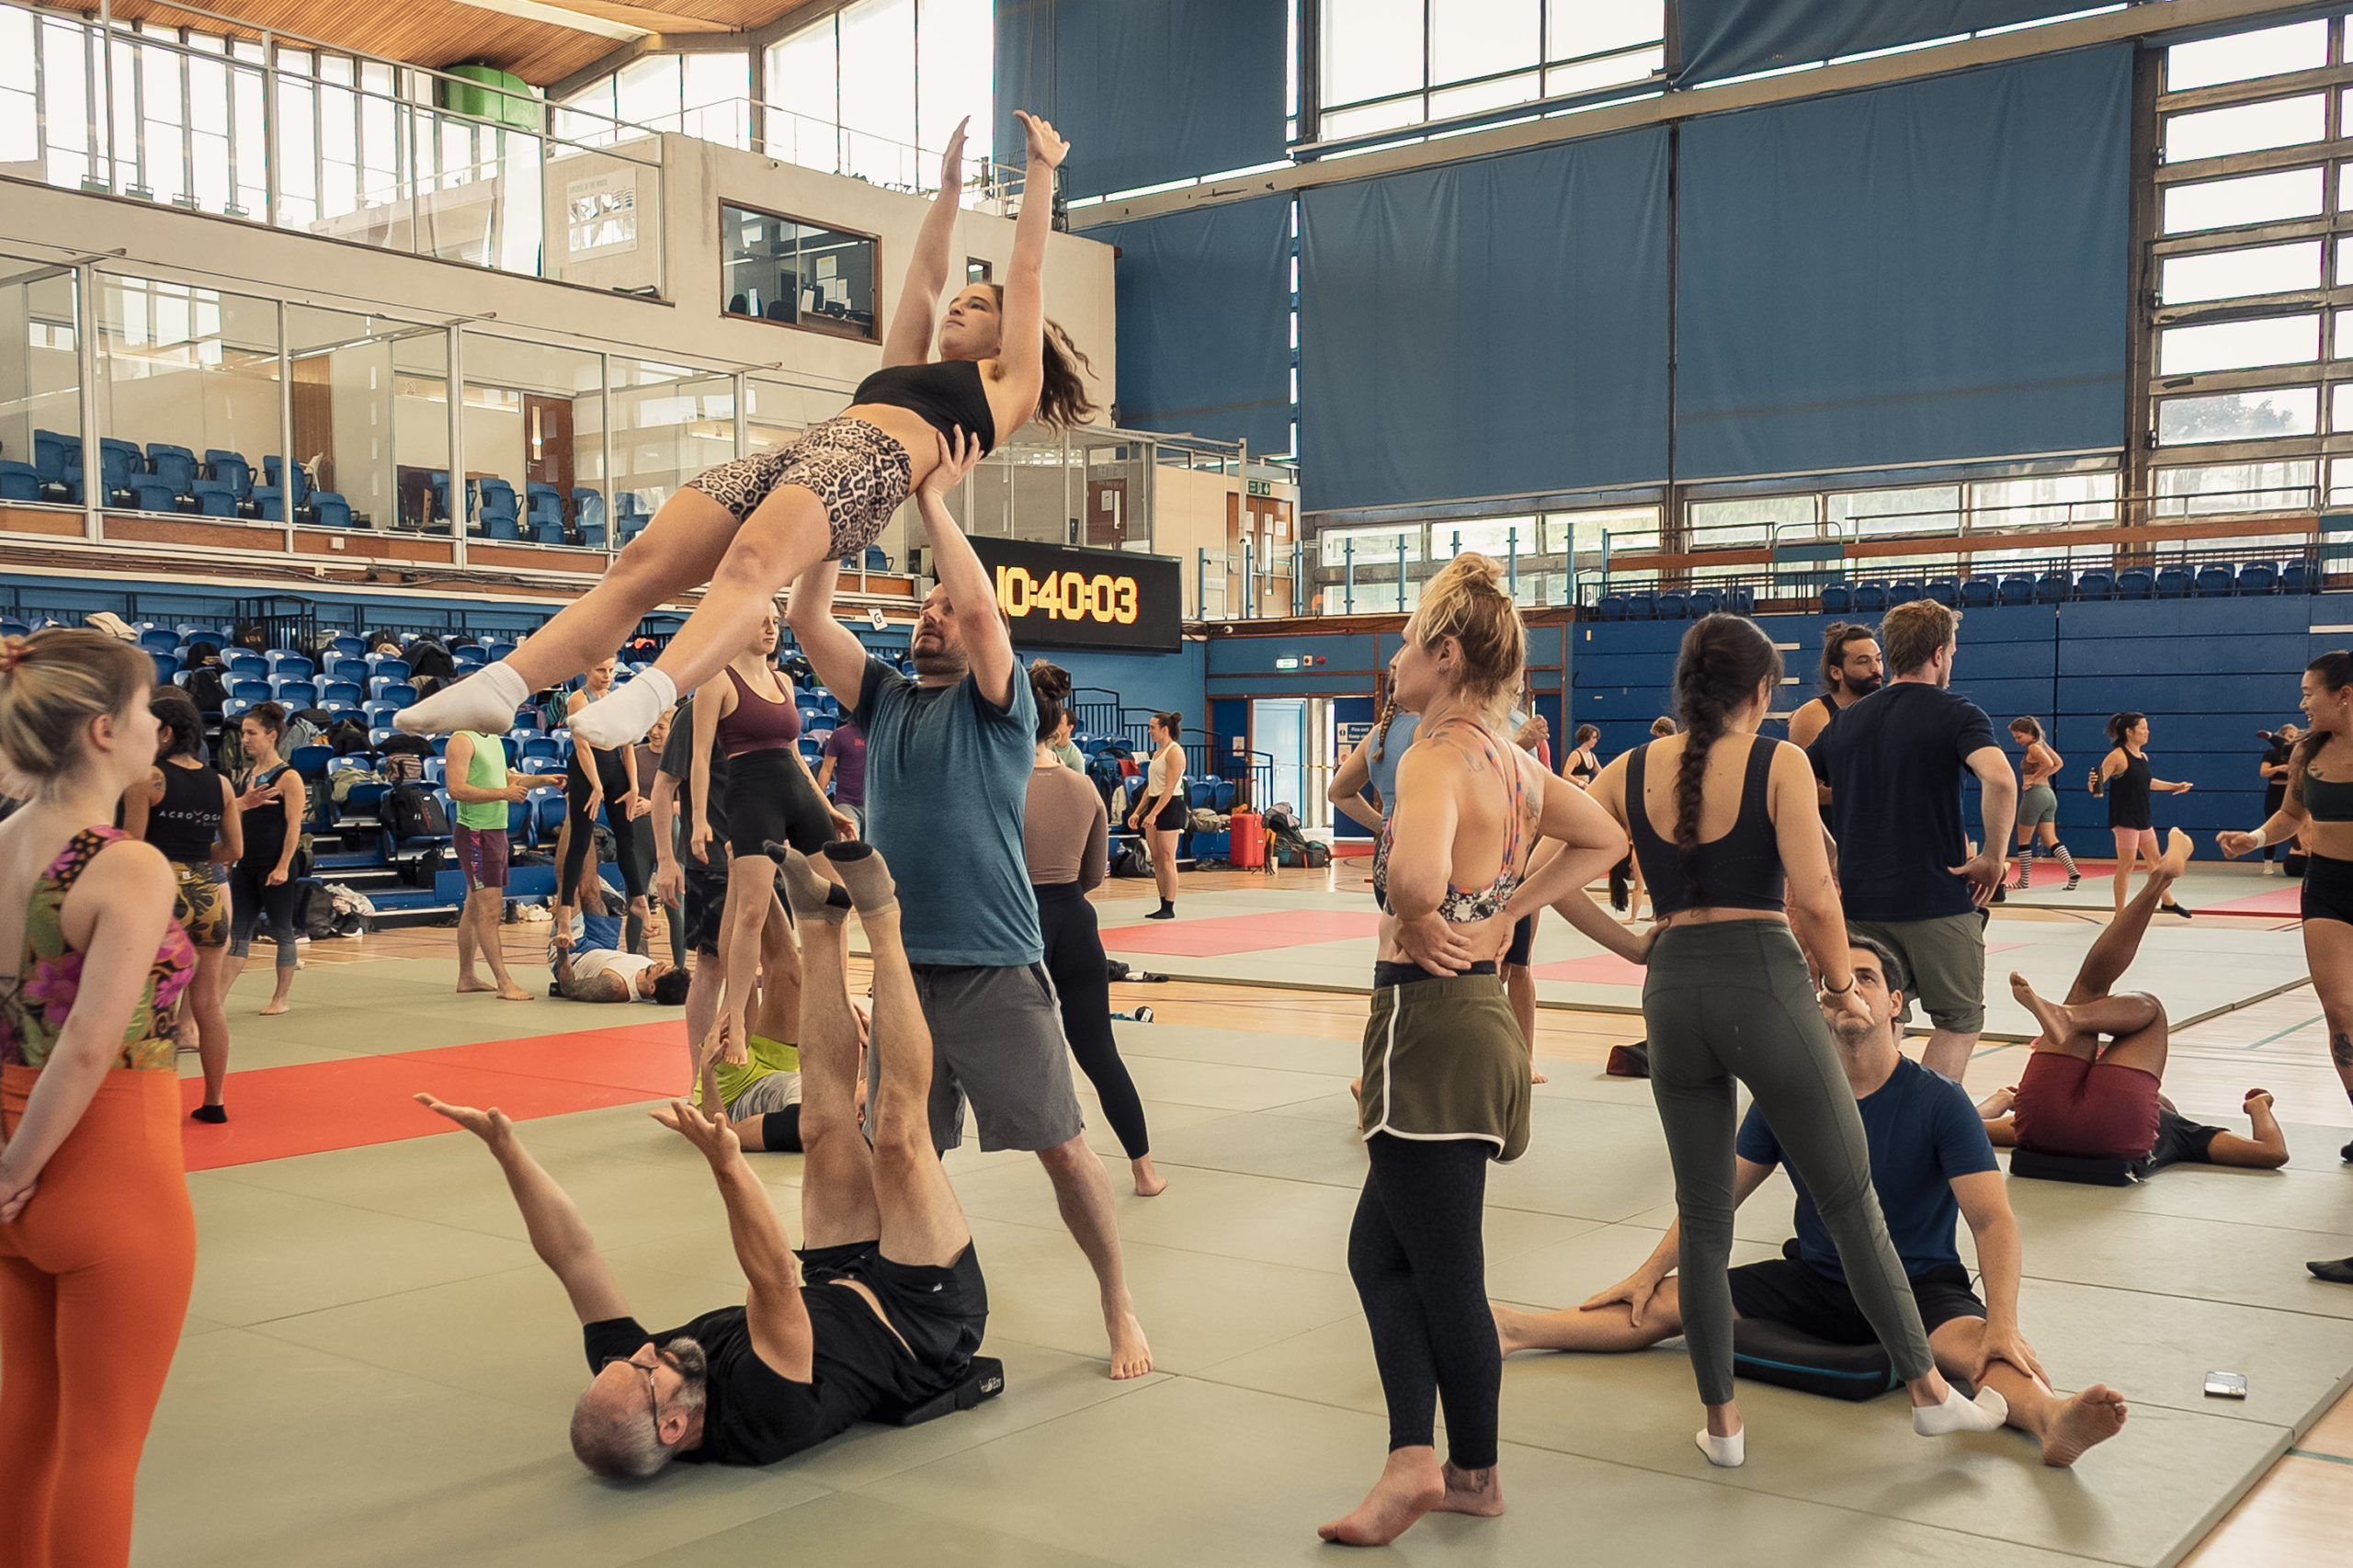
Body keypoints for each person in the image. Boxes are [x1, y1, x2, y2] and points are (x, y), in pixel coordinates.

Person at [398, 113, 1095, 755]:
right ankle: (505, 685)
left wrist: (1040, 172)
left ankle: (651, 694)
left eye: (976, 307)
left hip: (873, 464)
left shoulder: (1009, 386)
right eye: (961, 302)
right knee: (641, 564)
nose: (956, 310)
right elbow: (923, 277)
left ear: (1010, 333)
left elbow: (1026, 268)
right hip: (805, 449)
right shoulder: (906, 366)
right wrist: (945, 191)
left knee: (751, 568)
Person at [1524, 613, 2006, 1477]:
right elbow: (1818, 902)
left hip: (1671, 989)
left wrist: (1635, 943)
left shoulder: (1629, 770)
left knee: (1705, 1220)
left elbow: (1547, 873)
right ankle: (1931, 1396)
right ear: (1762, 692)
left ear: (1684, 690)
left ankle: (1722, 1423)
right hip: (1763, 983)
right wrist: (1838, 987)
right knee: (1849, 1195)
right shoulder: (1779, 760)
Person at [416, 840, 988, 1475]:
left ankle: (821, 922)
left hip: (839, 1279)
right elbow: (771, 1274)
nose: (647, 1352)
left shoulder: (644, 1373)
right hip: (924, 1318)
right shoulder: (761, 1414)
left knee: (827, 1125)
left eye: (634, 1361)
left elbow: (574, 1260)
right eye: (646, 1371)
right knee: (897, 1137)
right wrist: (727, 1165)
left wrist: (508, 1153)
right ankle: (883, 916)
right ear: (674, 1425)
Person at [789, 426, 1151, 1381]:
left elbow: (989, 615)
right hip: (908, 974)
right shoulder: (887, 698)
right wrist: (838, 520)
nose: (935, 616)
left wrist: (933, 501)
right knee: (896, 1154)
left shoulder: (1001, 707)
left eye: (947, 607)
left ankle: (1118, 1304)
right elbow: (806, 621)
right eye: (925, 607)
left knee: (1065, 1154)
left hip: (996, 969)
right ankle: (902, 1303)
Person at [1493, 935, 2129, 1471]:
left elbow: (1992, 1220)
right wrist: (1648, 1271)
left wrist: (2006, 1321)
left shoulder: (1941, 1103)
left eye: (1866, 980)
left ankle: (2053, 1419)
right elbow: (1716, 1201)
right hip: (1815, 1279)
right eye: (1832, 983)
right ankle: (1514, 1328)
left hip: (1918, 1287)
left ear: (1895, 1003)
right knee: (1670, 1300)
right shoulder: (1789, 1097)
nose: (1846, 992)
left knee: (1979, 1347)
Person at [1321, 554, 1627, 1549]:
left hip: (1430, 1022)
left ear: (1445, 655)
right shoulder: (1509, 755)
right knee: (1383, 1252)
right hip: (1475, 1018)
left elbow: (1411, 877)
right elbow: (1602, 838)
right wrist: (1502, 908)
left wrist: (1431, 915)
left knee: (1444, 1269)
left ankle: (1448, 1467)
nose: (1397, 661)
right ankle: (1441, 1461)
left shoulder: (1437, 752)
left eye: (1408, 643)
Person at [0, 629, 199, 1568]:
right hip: (105, 1165)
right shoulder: (125, 866)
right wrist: (19, 1169)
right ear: (101, 730)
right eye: (147, 706)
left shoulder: (3, 844)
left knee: (25, 1424)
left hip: (13, 1159)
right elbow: (84, 1049)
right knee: (101, 1447)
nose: (158, 722)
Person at [1978, 831, 2287, 1172]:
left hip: (2043, 1126)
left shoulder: (2023, 1122)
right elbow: (2271, 1154)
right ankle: (2072, 1016)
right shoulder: (2183, 1132)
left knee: (2103, 992)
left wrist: (2004, 1098)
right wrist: (2259, 1105)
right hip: (2110, 1136)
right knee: (2142, 1008)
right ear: (2159, 1105)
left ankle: (2073, 1014)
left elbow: (1969, 1126)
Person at [1808, 600, 2014, 1082]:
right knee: (1958, 1019)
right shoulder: (1957, 713)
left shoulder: (1847, 721)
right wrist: (1992, 858)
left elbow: (1789, 787)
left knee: (1875, 1016)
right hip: (1935, 898)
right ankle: (1928, 1127)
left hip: (1862, 902)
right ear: (1940, 654)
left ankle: (1865, 1121)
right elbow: (2001, 781)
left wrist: (1832, 851)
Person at [2221, 651, 2353, 1278]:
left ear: (2345, 695)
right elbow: (2292, 816)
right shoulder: (2307, 753)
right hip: (2327, 886)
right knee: (2341, 1012)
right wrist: (2255, 837)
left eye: (2310, 692)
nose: (2303, 702)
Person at [1027, 661, 1163, 1198]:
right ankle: (1145, 1170)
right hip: (1075, 921)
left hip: (1019, 923)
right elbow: (1090, 874)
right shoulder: (1083, 786)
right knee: (1099, 1053)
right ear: (1058, 724)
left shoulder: (996, 783)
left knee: (991, 1055)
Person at [692, 608, 849, 1057]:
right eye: (760, 619)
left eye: (775, 622)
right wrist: (700, 818)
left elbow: (798, 755)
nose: (769, 628)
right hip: (752, 797)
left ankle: (831, 1002)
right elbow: (701, 757)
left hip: (796, 794)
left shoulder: (783, 682)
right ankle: (737, 1022)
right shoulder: (717, 680)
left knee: (832, 902)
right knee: (750, 912)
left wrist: (827, 808)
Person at [119, 689, 240, 1120]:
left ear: (166, 732)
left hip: (161, 895)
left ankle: (155, 1102)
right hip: (207, 897)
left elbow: (132, 844)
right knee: (207, 1003)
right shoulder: (221, 783)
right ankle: (215, 1101)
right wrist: (193, 855)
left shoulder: (148, 779)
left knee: (152, 1004)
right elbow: (232, 850)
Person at [448, 729, 560, 1003]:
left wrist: (542, 779)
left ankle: (467, 976)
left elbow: (509, 778)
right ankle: (504, 982)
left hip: (495, 831)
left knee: (474, 905)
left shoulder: (493, 739)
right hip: (477, 832)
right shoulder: (462, 739)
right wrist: (504, 794)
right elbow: (456, 789)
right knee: (489, 909)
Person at [652, 695, 731, 1058]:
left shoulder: (765, 702)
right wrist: (667, 860)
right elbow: (664, 787)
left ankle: (748, 1072)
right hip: (710, 860)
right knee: (711, 966)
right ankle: (700, 1076)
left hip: (763, 857)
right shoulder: (693, 713)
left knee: (764, 968)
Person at [559, 656, 651, 941]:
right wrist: (595, 784)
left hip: (614, 767)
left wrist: (634, 786)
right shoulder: (578, 699)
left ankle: (639, 901)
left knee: (627, 838)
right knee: (580, 841)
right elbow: (582, 746)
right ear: (587, 669)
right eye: (601, 670)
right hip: (587, 771)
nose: (607, 675)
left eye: (611, 670)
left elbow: (627, 746)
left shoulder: (616, 698)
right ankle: (563, 913)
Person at [225, 701, 307, 1017]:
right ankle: (217, 997)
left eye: (251, 733)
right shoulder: (249, 773)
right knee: (239, 932)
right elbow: (242, 819)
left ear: (271, 735)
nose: (244, 739)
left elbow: (294, 825)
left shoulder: (288, 777)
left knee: (282, 929)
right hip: (248, 862)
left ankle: (280, 997)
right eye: (243, 733)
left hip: (276, 862)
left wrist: (284, 865)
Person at [2092, 712, 2193, 920]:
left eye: (2147, 728)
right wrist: (2094, 782)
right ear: (2129, 732)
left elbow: (2147, 782)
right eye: (2143, 728)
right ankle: (2119, 913)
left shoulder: (2142, 757)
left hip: (2142, 817)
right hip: (2125, 819)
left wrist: (2175, 786)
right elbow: (2097, 784)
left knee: (2155, 862)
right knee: (2126, 865)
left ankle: (2167, 901)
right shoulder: (2117, 756)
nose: (2147, 732)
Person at [1787, 621, 1883, 755]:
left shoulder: (1888, 709)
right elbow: (1809, 775)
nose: (1876, 668)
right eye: (1863, 661)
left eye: (1878, 659)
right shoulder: (1814, 716)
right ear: (1836, 672)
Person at [2006, 718, 2078, 893]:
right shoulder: (2042, 744)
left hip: (2035, 795)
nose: (2017, 741)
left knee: (2023, 840)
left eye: (2019, 737)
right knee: (2050, 839)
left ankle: (2023, 880)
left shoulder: (2034, 747)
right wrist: (2043, 776)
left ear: (2030, 733)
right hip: (2048, 795)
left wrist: (2034, 778)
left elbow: (2047, 763)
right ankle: (2073, 872)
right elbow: (2058, 763)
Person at [1125, 711, 1185, 920]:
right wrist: (1138, 812)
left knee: (1168, 858)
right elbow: (1152, 787)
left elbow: (1169, 788)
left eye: (1152, 727)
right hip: (1155, 803)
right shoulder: (1157, 753)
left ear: (1164, 729)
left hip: (1170, 806)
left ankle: (1170, 904)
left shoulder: (1174, 752)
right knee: (1157, 858)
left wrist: (1154, 814)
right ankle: (1162, 903)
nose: (1149, 731)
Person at [550, 939, 688, 1006]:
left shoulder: (613, 985)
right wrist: (643, 936)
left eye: (661, 969)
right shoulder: (650, 976)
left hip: (574, 954)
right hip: (603, 943)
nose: (661, 962)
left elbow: (569, 987)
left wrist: (562, 949)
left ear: (652, 988)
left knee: (574, 889)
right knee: (614, 904)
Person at [2258, 723, 2302, 873]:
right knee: (2271, 823)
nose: (2291, 740)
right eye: (2289, 736)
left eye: (2294, 737)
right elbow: (2263, 772)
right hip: (2275, 790)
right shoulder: (2271, 753)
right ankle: (2268, 863)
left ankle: (2299, 849)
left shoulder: (2296, 754)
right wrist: (2278, 768)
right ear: (2281, 736)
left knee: (2295, 820)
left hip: (2290, 789)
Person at [818, 715, 870, 835]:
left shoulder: (879, 734)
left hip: (873, 805)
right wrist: (820, 802)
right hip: (847, 803)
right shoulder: (840, 735)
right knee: (850, 847)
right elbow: (826, 769)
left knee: (873, 850)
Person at [1564, 724, 1600, 790]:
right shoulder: (1575, 755)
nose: (1596, 741)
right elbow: (1566, 775)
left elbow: (1600, 773)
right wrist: (1581, 783)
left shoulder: (1592, 756)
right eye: (1593, 738)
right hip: (1574, 789)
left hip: (1585, 789)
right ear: (1586, 738)